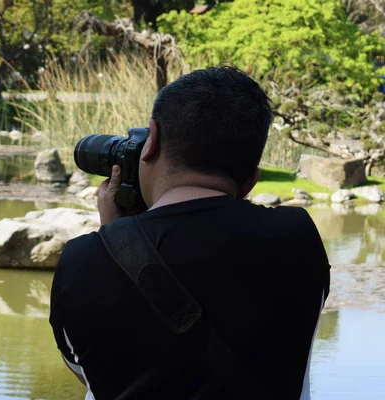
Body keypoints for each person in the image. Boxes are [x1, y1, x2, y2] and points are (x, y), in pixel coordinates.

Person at [49, 66, 330, 400]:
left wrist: (114, 238)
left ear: (150, 141)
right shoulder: (297, 238)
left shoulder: (82, 262)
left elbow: (88, 371)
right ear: (251, 180)